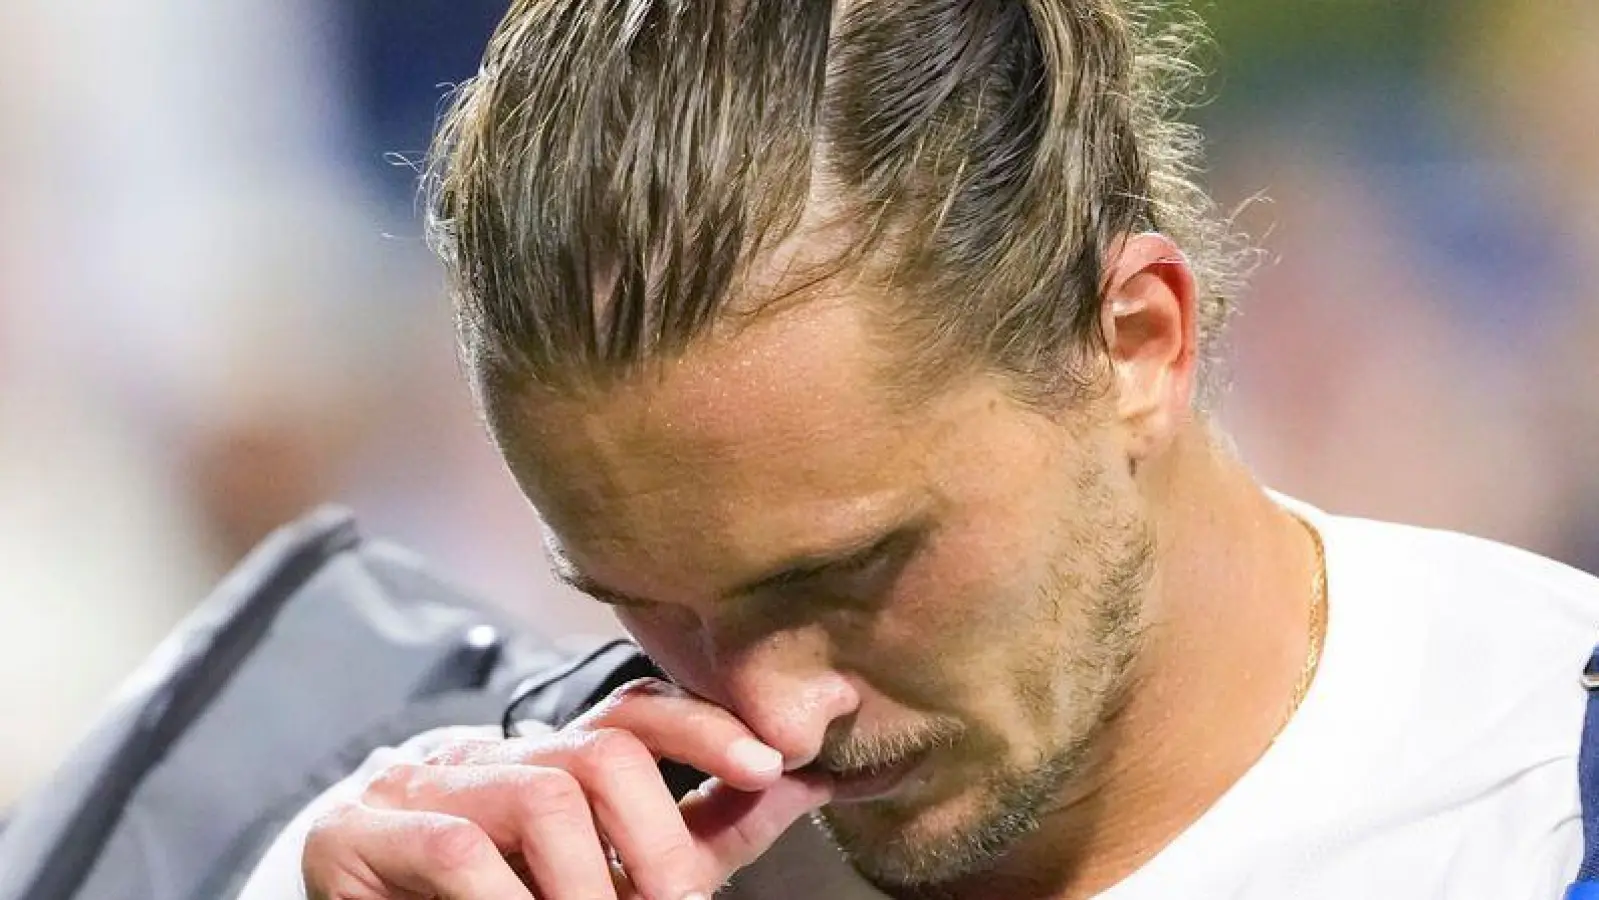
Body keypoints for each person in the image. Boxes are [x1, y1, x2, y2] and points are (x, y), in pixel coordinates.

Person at [238, 1, 1599, 898]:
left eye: (844, 574)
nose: (769, 725)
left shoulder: (1544, 801)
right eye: (649, 609)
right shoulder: (453, 840)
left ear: (1135, 342)